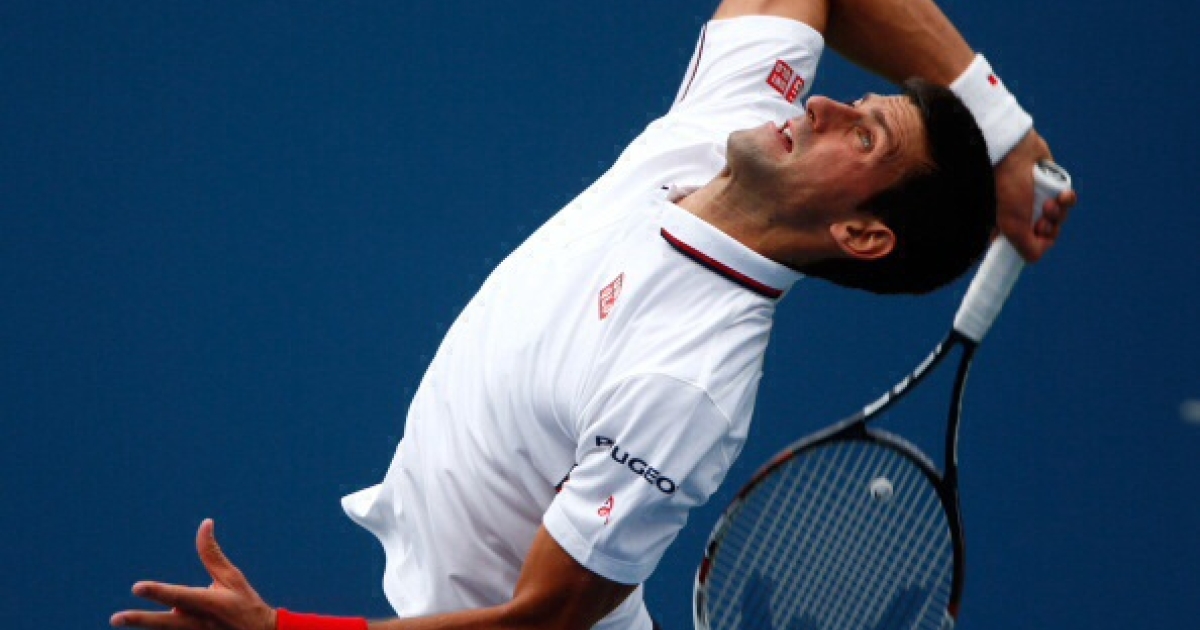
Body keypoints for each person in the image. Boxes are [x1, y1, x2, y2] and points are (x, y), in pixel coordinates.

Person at [111, 0, 1078, 629]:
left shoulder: (686, 380)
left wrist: (283, 628)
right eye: (853, 103)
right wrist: (1001, 127)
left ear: (862, 234)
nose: (823, 105)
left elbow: (541, 620)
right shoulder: (738, 119)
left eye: (863, 137)